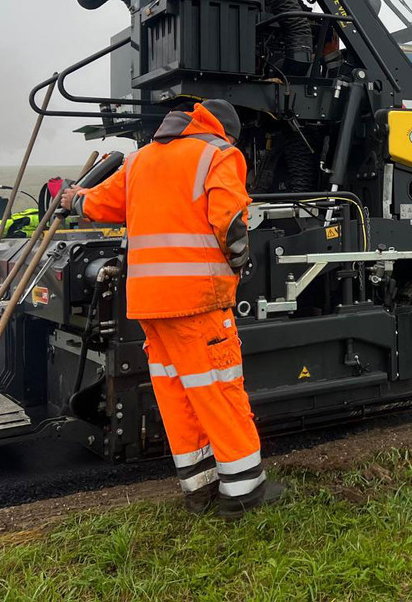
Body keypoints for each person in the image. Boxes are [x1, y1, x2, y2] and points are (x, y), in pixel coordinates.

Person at [62, 99, 283, 518]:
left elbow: (100, 204)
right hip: (197, 299)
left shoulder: (140, 159)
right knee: (219, 390)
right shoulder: (219, 154)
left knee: (178, 392)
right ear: (223, 130)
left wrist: (73, 200)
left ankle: (199, 489)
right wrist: (241, 262)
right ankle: (244, 492)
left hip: (148, 303)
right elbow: (231, 221)